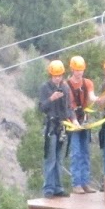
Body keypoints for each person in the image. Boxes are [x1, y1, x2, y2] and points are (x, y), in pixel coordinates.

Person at [38, 60, 70, 197]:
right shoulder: (45, 88)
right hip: (51, 126)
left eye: (60, 75)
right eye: (55, 75)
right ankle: (49, 188)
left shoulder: (65, 88)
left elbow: (67, 108)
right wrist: (51, 98)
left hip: (61, 126)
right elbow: (41, 107)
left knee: (59, 158)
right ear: (51, 75)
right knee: (50, 158)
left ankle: (58, 187)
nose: (57, 78)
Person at [64, 55, 95, 194]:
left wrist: (102, 99)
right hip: (73, 122)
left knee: (85, 152)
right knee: (76, 153)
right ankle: (77, 183)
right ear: (72, 70)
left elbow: (92, 97)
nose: (79, 72)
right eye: (77, 70)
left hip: (84, 120)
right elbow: (68, 105)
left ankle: (85, 182)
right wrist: (74, 121)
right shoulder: (66, 86)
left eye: (81, 70)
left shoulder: (87, 83)